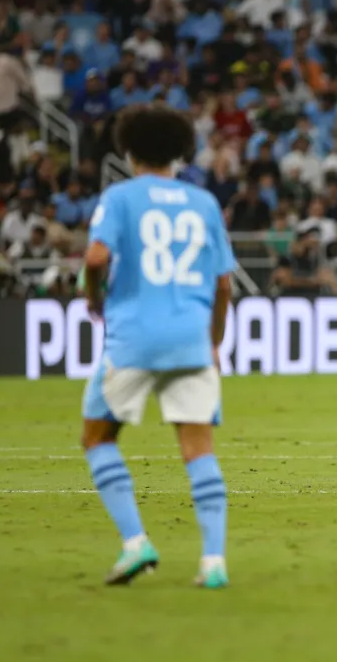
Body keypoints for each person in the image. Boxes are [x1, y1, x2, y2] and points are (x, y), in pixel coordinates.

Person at [80, 105, 236, 589]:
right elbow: (225, 285)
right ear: (181, 152)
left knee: (98, 439)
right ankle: (213, 562)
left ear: (128, 151)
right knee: (198, 449)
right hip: (190, 335)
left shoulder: (120, 196)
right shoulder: (203, 202)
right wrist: (213, 342)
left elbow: (96, 256)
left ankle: (135, 543)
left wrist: (92, 297)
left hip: (133, 336)